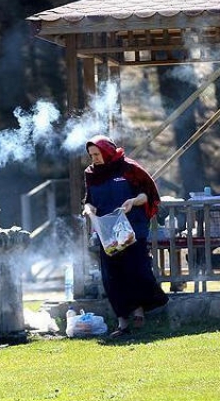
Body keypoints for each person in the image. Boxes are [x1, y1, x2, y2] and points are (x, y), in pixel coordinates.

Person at [82, 135, 169, 337]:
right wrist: (89, 209)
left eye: (97, 154)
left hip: (132, 229)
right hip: (107, 232)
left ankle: (140, 311)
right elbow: (88, 200)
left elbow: (147, 194)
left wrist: (132, 201)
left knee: (136, 271)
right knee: (112, 277)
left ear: (107, 152)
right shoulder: (90, 173)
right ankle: (123, 323)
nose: (94, 158)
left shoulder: (128, 168)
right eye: (91, 155)